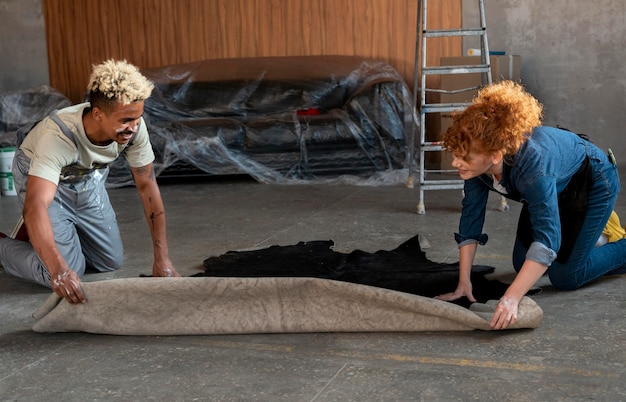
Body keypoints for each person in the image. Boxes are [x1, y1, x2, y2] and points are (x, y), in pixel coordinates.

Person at [435, 81, 626, 330]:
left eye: (465, 157)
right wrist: (464, 283)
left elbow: (548, 242)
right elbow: (471, 218)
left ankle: (606, 238)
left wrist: (511, 299)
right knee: (522, 263)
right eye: (455, 153)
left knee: (565, 276)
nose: (455, 163)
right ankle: (589, 237)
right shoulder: (476, 169)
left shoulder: (532, 171)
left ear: (496, 156)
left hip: (593, 182)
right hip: (554, 187)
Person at [0, 59, 180, 304]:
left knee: (110, 262)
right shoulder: (58, 137)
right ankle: (8, 245)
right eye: (126, 120)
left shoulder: (135, 127)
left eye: (138, 118)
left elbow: (147, 187)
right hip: (43, 179)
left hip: (86, 178)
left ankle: (46, 235)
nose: (133, 127)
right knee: (62, 271)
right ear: (98, 114)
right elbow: (36, 205)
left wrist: (163, 259)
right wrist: (58, 268)